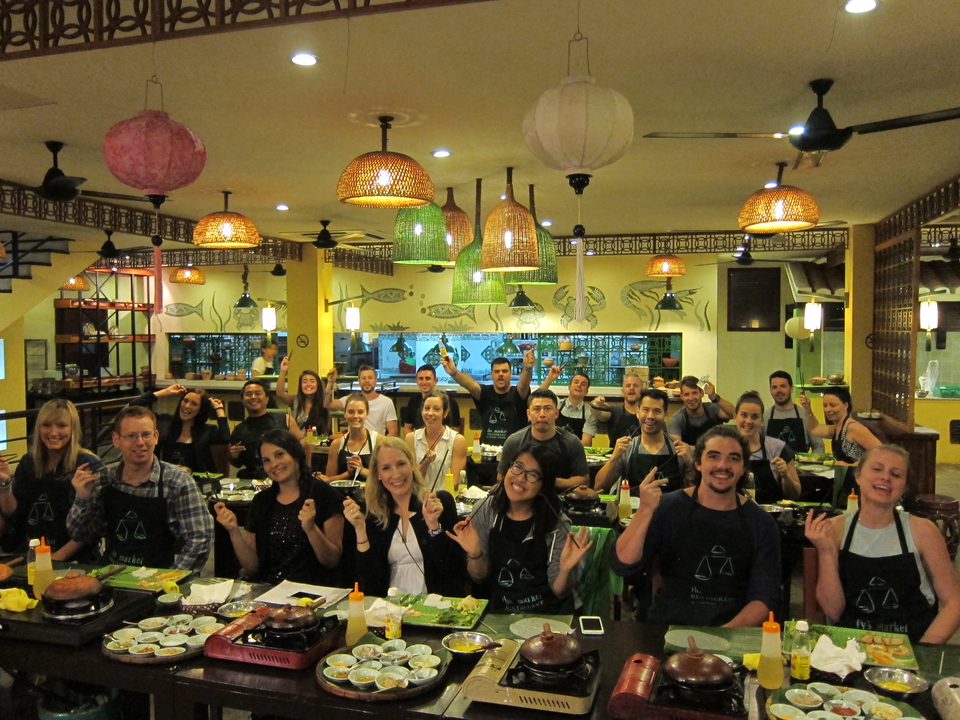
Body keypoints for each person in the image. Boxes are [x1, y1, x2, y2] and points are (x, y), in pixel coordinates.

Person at [611, 425, 782, 626]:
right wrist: (645, 510)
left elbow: (765, 598)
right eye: (713, 456)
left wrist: (722, 636)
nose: (723, 465)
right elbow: (622, 564)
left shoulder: (761, 523)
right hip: (669, 627)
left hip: (732, 632)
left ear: (744, 468)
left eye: (733, 458)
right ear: (698, 463)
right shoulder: (668, 508)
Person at [805, 445, 960, 644]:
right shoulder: (834, 529)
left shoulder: (923, 531)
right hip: (850, 649)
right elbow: (833, 611)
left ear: (904, 488)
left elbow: (954, 604)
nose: (885, 477)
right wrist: (826, 552)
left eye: (896, 474)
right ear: (858, 476)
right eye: (877, 469)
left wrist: (923, 651)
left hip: (910, 646)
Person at [447, 442, 592, 614]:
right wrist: (475, 553)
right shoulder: (485, 510)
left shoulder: (556, 522)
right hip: (499, 614)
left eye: (533, 474)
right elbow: (479, 577)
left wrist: (565, 570)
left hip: (548, 615)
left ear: (543, 487)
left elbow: (560, 591)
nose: (520, 478)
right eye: (517, 467)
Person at [67, 406, 213, 572]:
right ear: (116, 439)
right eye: (131, 436)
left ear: (156, 437)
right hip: (111, 574)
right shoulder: (103, 479)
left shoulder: (178, 482)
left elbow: (200, 538)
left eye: (146, 435)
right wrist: (83, 498)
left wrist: (171, 578)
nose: (140, 442)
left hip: (158, 576)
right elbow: (79, 534)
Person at [214, 429, 344, 586]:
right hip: (268, 589)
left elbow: (332, 561)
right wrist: (233, 530)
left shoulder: (326, 496)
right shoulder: (262, 501)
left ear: (296, 454)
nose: (274, 464)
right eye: (266, 460)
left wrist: (311, 529)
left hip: (312, 591)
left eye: (279, 454)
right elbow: (252, 568)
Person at [342, 437, 462, 597]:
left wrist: (434, 527)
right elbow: (370, 584)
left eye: (401, 464)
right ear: (377, 474)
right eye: (386, 468)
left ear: (412, 464)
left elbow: (453, 572)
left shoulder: (439, 502)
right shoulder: (372, 514)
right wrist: (360, 530)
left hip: (435, 606)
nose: (396, 474)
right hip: (390, 606)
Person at [0, 399, 102, 560]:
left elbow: (91, 526)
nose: (53, 433)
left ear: (73, 428)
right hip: (30, 553)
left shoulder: (88, 464)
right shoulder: (28, 462)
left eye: (61, 425)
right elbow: (13, 513)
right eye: (46, 425)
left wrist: (53, 560)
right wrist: (4, 484)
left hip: (73, 559)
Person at [594, 388, 694, 494]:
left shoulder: (681, 451)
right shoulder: (627, 449)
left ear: (665, 415)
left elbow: (696, 492)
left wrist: (690, 464)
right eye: (646, 410)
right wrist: (614, 458)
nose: (650, 416)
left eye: (657, 411)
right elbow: (599, 488)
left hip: (670, 505)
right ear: (637, 412)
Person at [496, 389, 590, 491]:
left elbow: (584, 480)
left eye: (547, 409)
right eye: (536, 409)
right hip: (522, 495)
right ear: (528, 414)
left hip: (559, 497)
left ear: (556, 413)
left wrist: (550, 481)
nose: (542, 414)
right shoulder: (515, 441)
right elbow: (501, 477)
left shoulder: (571, 442)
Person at [127, 384, 229, 474]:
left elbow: (225, 437)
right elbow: (133, 408)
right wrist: (165, 392)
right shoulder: (165, 422)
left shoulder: (207, 430)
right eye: (185, 401)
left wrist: (219, 409)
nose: (187, 406)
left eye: (194, 404)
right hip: (167, 480)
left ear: (200, 410)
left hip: (196, 482)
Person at [800, 386, 881, 496]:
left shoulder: (853, 428)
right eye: (825, 405)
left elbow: (881, 453)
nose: (828, 409)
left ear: (846, 405)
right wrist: (807, 408)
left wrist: (851, 465)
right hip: (845, 483)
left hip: (861, 486)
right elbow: (814, 428)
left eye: (833, 405)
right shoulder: (836, 427)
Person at [441, 351, 534, 446]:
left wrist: (527, 368)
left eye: (504, 371)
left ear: (511, 374)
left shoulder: (518, 393)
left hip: (514, 449)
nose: (500, 374)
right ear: (491, 374)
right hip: (486, 449)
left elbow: (524, 384)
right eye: (497, 371)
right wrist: (454, 372)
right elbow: (469, 384)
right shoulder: (484, 393)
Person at [734, 391, 801, 504]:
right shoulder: (725, 449)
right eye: (744, 415)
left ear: (762, 420)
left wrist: (785, 476)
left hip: (771, 513)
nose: (748, 421)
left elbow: (795, 494)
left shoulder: (778, 448)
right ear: (735, 417)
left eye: (755, 417)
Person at [229, 379, 303, 480]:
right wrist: (232, 456)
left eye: (258, 393)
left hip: (284, 476)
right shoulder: (239, 430)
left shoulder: (285, 420)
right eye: (248, 394)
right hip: (254, 480)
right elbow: (237, 464)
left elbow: (303, 443)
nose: (253, 397)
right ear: (243, 401)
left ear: (267, 399)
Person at [405, 389, 467, 492]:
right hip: (418, 495)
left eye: (436, 409)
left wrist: (436, 497)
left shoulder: (457, 440)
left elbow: (455, 482)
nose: (430, 413)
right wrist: (426, 462)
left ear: (445, 413)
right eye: (427, 408)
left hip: (444, 496)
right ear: (421, 411)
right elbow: (411, 479)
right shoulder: (411, 438)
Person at [325, 365, 398, 436]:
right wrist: (330, 382)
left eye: (370, 378)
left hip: (377, 442)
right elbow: (327, 404)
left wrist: (381, 443)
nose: (367, 381)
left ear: (376, 380)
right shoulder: (351, 400)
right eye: (363, 378)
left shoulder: (387, 402)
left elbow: (393, 432)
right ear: (359, 381)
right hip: (353, 442)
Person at [321, 393, 379, 482]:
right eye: (351, 412)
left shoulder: (379, 441)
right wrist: (348, 474)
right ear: (344, 414)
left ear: (367, 414)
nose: (355, 416)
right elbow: (329, 480)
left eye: (360, 412)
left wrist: (362, 470)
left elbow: (386, 477)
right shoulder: (336, 444)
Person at [763, 371, 824, 454]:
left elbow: (818, 445)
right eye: (774, 387)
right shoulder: (765, 417)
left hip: (800, 462)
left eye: (783, 386)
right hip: (773, 462)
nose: (778, 390)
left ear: (791, 389)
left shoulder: (804, 414)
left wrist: (813, 461)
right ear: (770, 391)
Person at [537, 367, 599, 446]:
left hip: (576, 451)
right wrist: (550, 378)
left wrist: (566, 448)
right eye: (576, 382)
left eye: (583, 384)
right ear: (569, 387)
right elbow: (537, 396)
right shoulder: (556, 404)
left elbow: (586, 442)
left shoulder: (590, 412)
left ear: (586, 391)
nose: (579, 385)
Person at [667, 376, 735, 446]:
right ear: (681, 396)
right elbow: (675, 446)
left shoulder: (711, 409)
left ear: (701, 393)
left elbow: (734, 414)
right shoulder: (677, 419)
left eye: (694, 393)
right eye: (687, 394)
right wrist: (704, 449)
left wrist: (714, 397)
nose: (691, 398)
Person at [276, 357, 331, 435]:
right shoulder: (295, 400)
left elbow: (326, 430)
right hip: (298, 440)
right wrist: (283, 372)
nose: (308, 384)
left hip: (320, 440)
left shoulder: (325, 402)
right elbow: (280, 393)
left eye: (312, 381)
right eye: (304, 382)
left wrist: (330, 382)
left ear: (318, 384)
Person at [402, 364, 462, 434]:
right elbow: (407, 428)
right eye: (421, 379)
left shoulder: (449, 401)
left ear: (435, 381)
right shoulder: (413, 401)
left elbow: (455, 429)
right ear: (417, 381)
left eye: (428, 378)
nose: (424, 382)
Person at [589, 372, 642, 447]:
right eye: (628, 386)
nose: (631, 388)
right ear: (623, 391)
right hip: (616, 454)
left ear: (642, 390)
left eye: (635, 385)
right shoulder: (615, 411)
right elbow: (598, 413)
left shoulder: (647, 414)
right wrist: (596, 403)